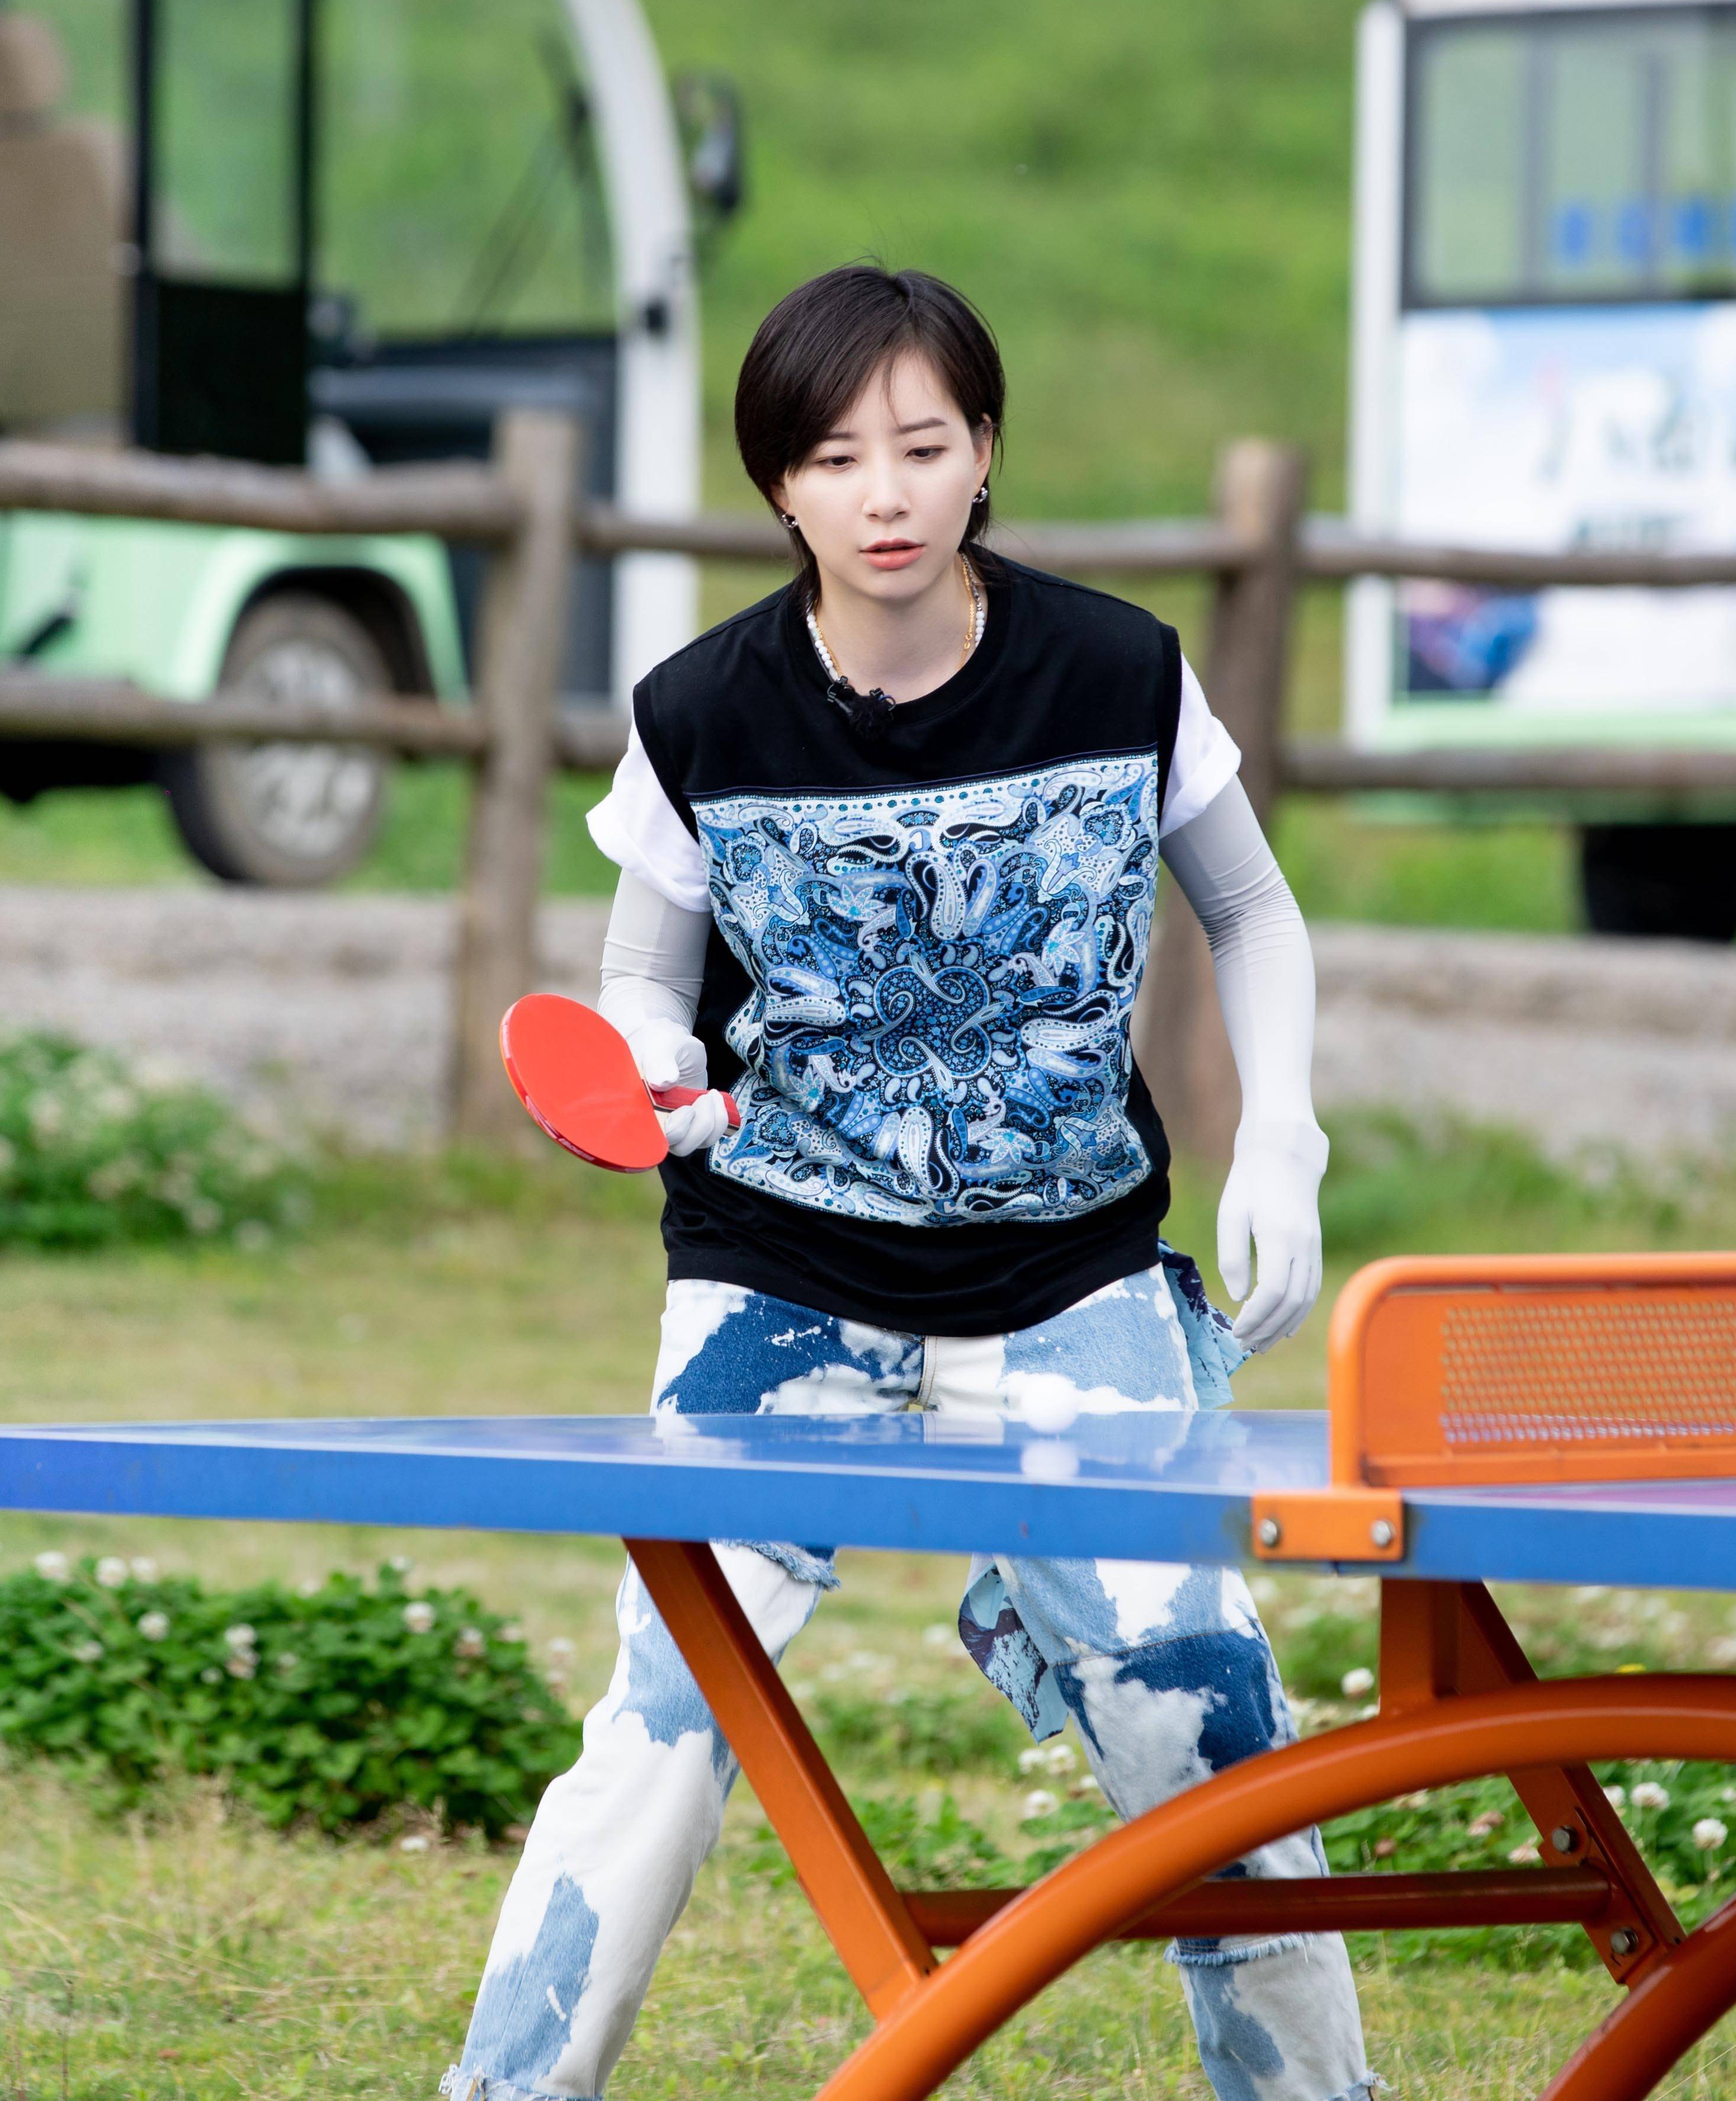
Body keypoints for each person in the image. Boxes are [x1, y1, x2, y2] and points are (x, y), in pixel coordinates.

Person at [444, 266, 1365, 2101]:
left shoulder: (1116, 670)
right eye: (837, 455)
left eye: (924, 447)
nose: (885, 492)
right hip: (774, 1269)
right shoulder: (698, 710)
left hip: (1074, 1276)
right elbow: (642, 974)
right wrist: (657, 1062)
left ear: (984, 458)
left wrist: (1283, 1135)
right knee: (664, 1720)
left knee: (1208, 1710)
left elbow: (1250, 907)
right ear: (778, 486)